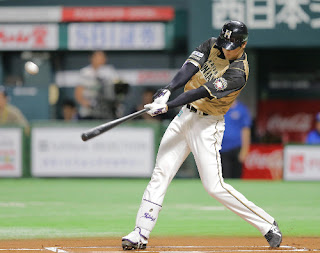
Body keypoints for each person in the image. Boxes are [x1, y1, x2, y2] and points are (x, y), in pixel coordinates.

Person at [121, 21, 282, 250]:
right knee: (161, 173)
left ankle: (267, 224)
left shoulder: (238, 72)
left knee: (214, 186)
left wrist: (168, 106)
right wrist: (167, 90)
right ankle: (141, 233)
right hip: (185, 117)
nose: (226, 49)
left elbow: (202, 90)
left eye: (232, 46)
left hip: (208, 124)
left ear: (243, 44)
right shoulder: (212, 44)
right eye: (224, 43)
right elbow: (189, 68)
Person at [74, 51, 120, 120]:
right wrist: (89, 104)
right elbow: (78, 94)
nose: (101, 59)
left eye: (102, 57)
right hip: (89, 112)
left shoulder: (110, 72)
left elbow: (118, 92)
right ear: (92, 58)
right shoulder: (85, 72)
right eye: (98, 57)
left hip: (107, 112)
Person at [220, 100, 252, 178]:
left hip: (236, 148)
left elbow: (246, 130)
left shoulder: (241, 109)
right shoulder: (218, 109)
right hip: (221, 149)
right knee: (223, 177)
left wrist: (245, 149)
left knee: (236, 176)